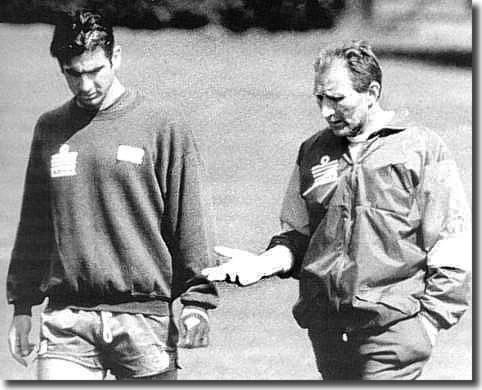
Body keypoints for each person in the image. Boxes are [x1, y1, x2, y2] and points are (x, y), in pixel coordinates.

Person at [203, 41, 471, 380]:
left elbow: (451, 245)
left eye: (337, 98)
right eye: (320, 98)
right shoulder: (313, 151)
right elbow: (299, 237)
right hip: (327, 334)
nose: (326, 111)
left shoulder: (420, 149)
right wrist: (262, 265)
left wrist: (430, 321)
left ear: (372, 91)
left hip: (393, 334)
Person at [7, 9, 218, 380]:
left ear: (115, 57)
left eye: (95, 71)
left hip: (144, 319)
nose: (86, 85)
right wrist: (23, 306)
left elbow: (190, 218)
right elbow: (34, 224)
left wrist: (197, 301)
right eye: (73, 74)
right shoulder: (50, 129)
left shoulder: (162, 126)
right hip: (67, 319)